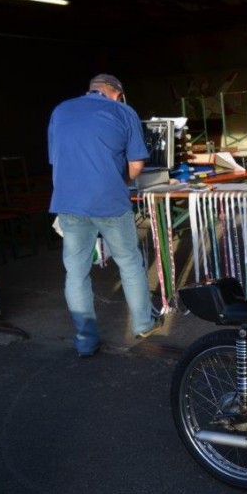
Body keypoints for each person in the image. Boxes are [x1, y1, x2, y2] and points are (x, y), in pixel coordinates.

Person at [48, 74, 163, 358]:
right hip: (109, 201)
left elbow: (57, 159)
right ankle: (143, 324)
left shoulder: (60, 110)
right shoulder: (123, 111)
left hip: (69, 202)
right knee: (129, 262)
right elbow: (136, 163)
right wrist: (116, 180)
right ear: (118, 93)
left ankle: (85, 342)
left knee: (76, 272)